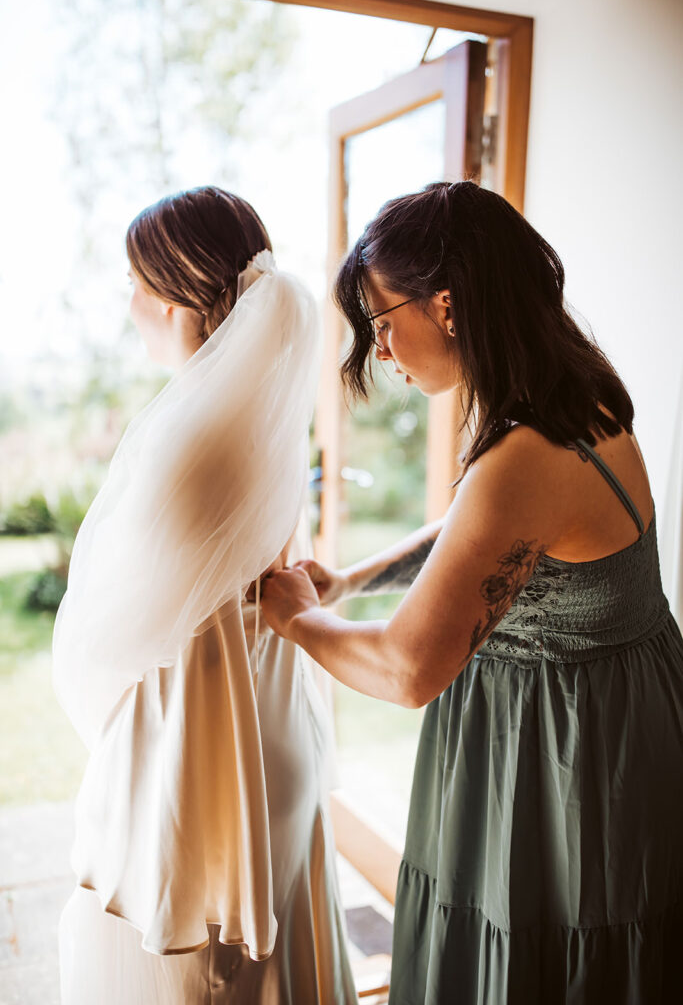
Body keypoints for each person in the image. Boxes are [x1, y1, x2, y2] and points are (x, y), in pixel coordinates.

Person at [260, 180, 683, 1003]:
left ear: (446, 304)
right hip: (625, 713)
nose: (380, 351)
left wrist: (297, 618)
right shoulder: (578, 395)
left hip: (565, 755)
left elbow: (408, 669)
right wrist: (352, 578)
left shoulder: (520, 458)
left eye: (383, 324)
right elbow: (482, 534)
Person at [53, 186, 358, 1004]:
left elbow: (111, 634)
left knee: (185, 972)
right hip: (271, 724)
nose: (130, 306)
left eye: (136, 284)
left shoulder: (185, 438)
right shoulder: (264, 418)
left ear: (176, 296)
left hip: (194, 746)